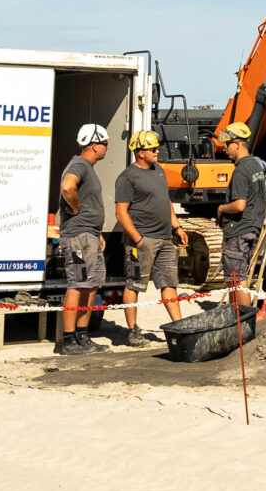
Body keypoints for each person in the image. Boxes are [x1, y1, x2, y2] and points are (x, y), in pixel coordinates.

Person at [108, 130, 186, 336]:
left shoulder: (158, 170)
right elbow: (120, 212)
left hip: (165, 239)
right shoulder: (128, 177)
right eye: (152, 148)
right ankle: (132, 330)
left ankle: (179, 327)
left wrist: (177, 227)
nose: (157, 151)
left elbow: (166, 201)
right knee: (134, 284)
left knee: (169, 283)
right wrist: (138, 240)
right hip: (141, 242)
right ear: (140, 152)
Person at [55, 124, 112, 355]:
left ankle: (82, 336)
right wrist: (76, 208)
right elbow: (68, 187)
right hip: (79, 237)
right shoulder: (79, 164)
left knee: (91, 285)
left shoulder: (86, 167)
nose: (107, 148)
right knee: (78, 284)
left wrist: (96, 233)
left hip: (88, 236)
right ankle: (69, 340)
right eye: (105, 143)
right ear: (95, 145)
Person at [211, 121, 266, 312]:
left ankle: (241, 319)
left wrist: (221, 208)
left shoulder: (240, 170)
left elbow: (239, 205)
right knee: (240, 278)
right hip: (252, 228)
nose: (225, 149)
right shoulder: (256, 166)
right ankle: (240, 316)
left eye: (227, 144)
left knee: (236, 280)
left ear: (237, 143)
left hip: (238, 231)